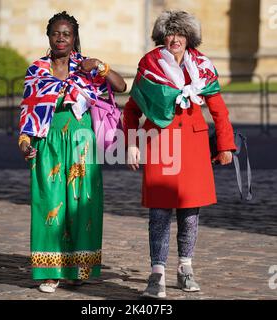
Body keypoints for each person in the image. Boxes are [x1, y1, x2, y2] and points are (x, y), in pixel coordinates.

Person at [123, 10, 236, 299]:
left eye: (181, 34)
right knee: (159, 213)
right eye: (170, 34)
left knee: (189, 212)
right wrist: (132, 143)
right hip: (160, 144)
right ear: (163, 37)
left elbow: (219, 110)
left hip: (194, 146)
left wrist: (224, 145)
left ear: (189, 38)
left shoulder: (203, 67)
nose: (175, 39)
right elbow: (132, 110)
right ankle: (156, 274)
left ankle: (185, 268)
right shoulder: (149, 66)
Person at [18, 11, 126, 293]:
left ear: (74, 37)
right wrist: (25, 142)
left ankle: (79, 267)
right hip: (48, 140)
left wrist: (101, 66)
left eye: (66, 34)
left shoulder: (86, 66)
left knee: (81, 203)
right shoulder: (37, 69)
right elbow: (28, 111)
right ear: (49, 36)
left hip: (81, 140)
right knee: (48, 203)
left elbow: (121, 86)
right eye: (56, 33)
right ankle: (50, 272)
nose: (61, 38)